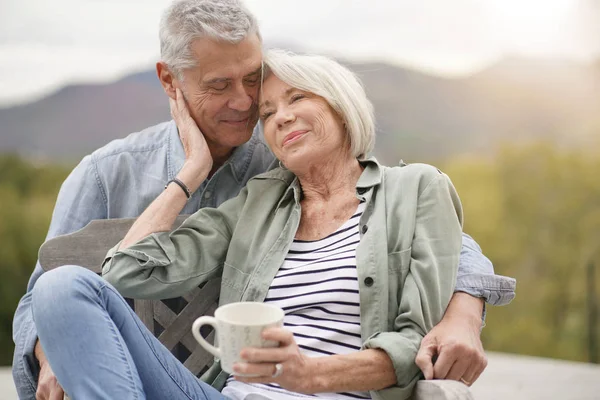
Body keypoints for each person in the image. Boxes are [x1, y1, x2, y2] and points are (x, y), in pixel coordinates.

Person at [12, 0, 516, 399]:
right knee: (62, 287)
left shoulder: (292, 170)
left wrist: (463, 314)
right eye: (219, 85)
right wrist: (191, 174)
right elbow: (75, 287)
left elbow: (445, 240)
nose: (248, 105)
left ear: (341, 106)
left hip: (320, 387)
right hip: (189, 385)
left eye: (254, 81)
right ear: (170, 80)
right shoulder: (115, 174)